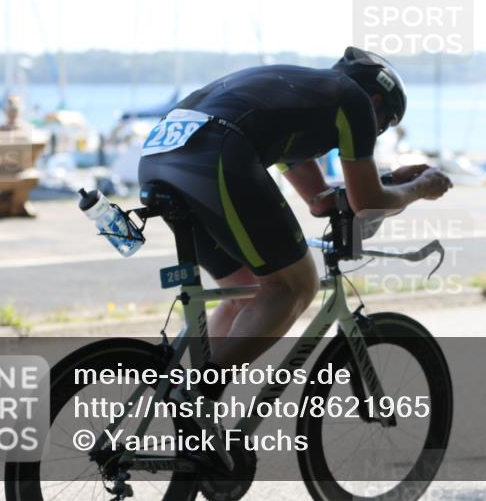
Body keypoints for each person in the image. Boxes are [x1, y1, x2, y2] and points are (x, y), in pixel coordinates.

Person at [138, 46, 453, 394]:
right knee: (296, 286)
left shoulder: (300, 102)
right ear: (376, 101)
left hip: (158, 157)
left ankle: (197, 418)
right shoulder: (355, 101)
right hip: (216, 153)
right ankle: (198, 395)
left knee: (247, 293)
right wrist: (420, 188)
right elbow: (367, 203)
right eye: (384, 126)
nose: (374, 135)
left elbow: (320, 202)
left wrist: (392, 180)